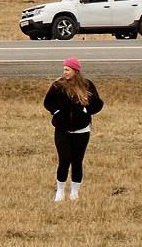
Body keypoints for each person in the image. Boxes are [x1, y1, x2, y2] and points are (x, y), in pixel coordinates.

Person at [44, 56, 102, 202]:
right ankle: (60, 191)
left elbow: (98, 104)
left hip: (82, 130)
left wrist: (85, 112)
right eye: (64, 69)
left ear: (75, 70)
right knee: (64, 160)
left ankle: (74, 193)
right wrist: (56, 112)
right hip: (62, 130)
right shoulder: (57, 86)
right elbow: (47, 102)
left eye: (67, 69)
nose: (65, 72)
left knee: (77, 161)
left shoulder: (87, 85)